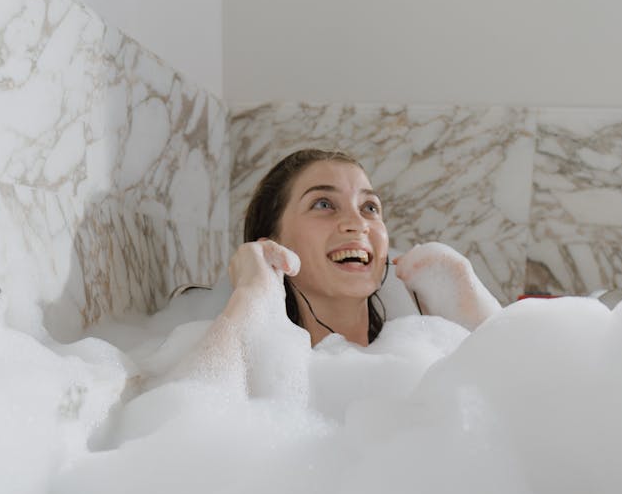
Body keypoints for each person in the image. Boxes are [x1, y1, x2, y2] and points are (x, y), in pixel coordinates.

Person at [179, 149, 502, 387]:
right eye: (323, 204)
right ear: (273, 243)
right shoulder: (261, 379)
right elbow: (184, 425)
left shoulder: (431, 360)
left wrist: (472, 306)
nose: (357, 224)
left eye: (369, 208)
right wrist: (253, 291)